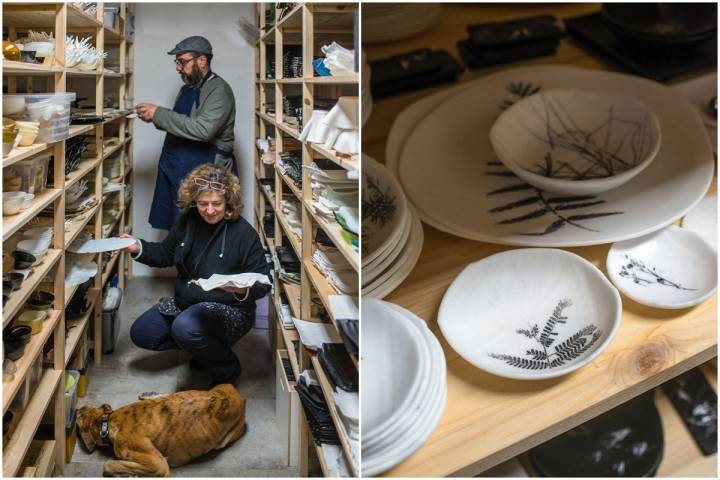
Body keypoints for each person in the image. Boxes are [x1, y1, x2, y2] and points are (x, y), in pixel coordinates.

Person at [121, 164, 270, 388]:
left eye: (216, 204)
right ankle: (202, 347)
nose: (210, 210)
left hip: (229, 309)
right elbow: (165, 254)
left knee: (185, 327)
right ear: (193, 201)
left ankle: (227, 369)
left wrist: (242, 290)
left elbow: (264, 280)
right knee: (143, 333)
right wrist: (137, 247)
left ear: (228, 201)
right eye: (203, 204)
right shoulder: (187, 222)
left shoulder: (244, 233)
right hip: (186, 302)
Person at [136, 35, 238, 230]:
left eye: (182, 62)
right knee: (178, 230)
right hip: (177, 168)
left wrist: (159, 113)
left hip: (205, 171)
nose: (178, 67)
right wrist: (154, 117)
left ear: (202, 60)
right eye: (177, 62)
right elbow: (181, 124)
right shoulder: (187, 89)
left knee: (201, 232)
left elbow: (203, 130)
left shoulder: (219, 90)